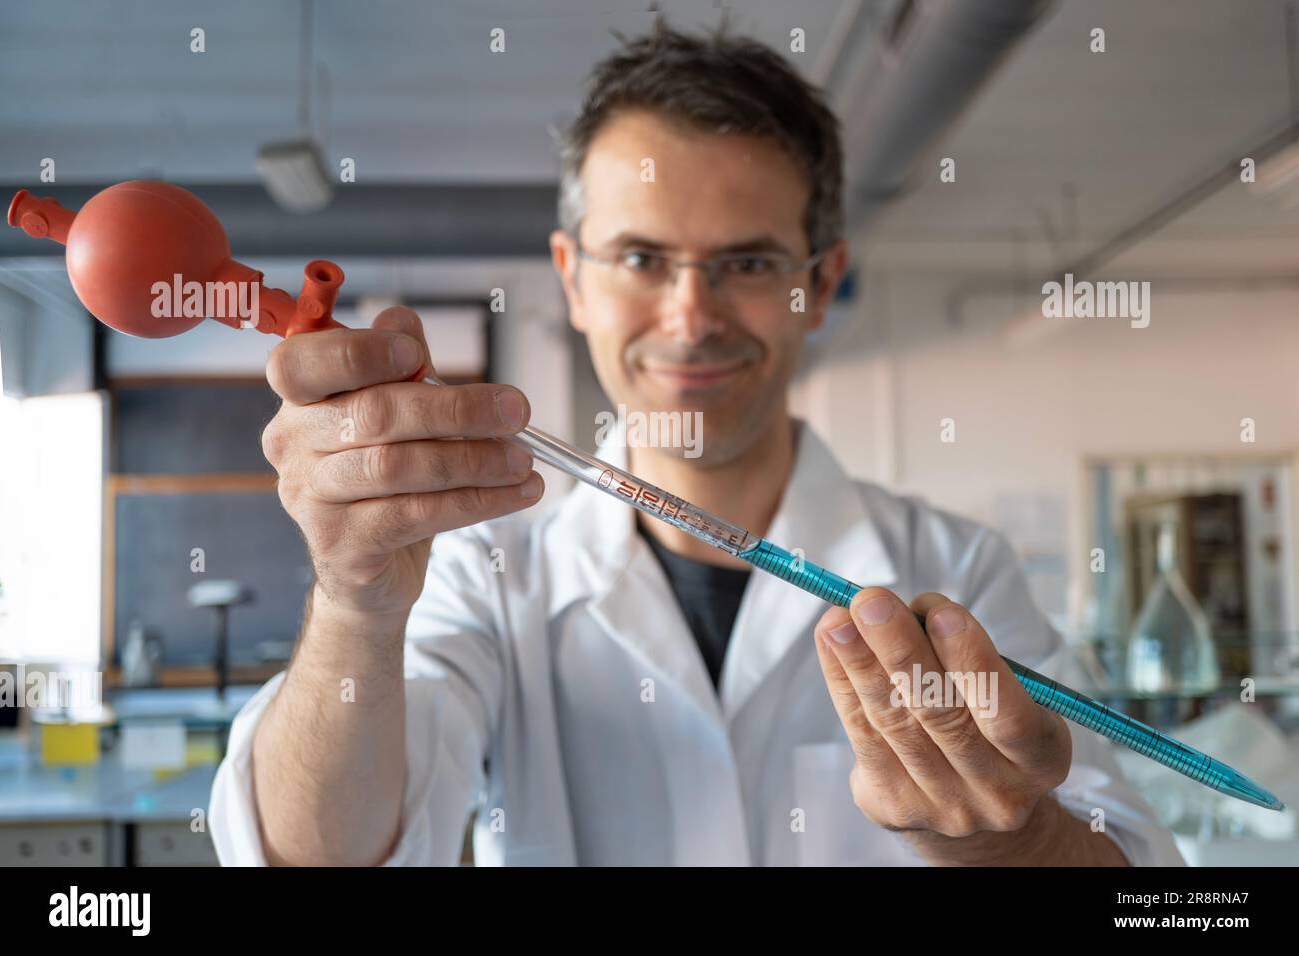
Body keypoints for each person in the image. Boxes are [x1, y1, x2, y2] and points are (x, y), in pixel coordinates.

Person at [210, 22, 1182, 866]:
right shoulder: (487, 577)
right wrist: (354, 603)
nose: (690, 316)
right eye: (641, 258)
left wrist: (1004, 843)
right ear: (574, 277)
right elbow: (317, 852)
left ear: (819, 278)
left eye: (747, 262)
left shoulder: (958, 569)